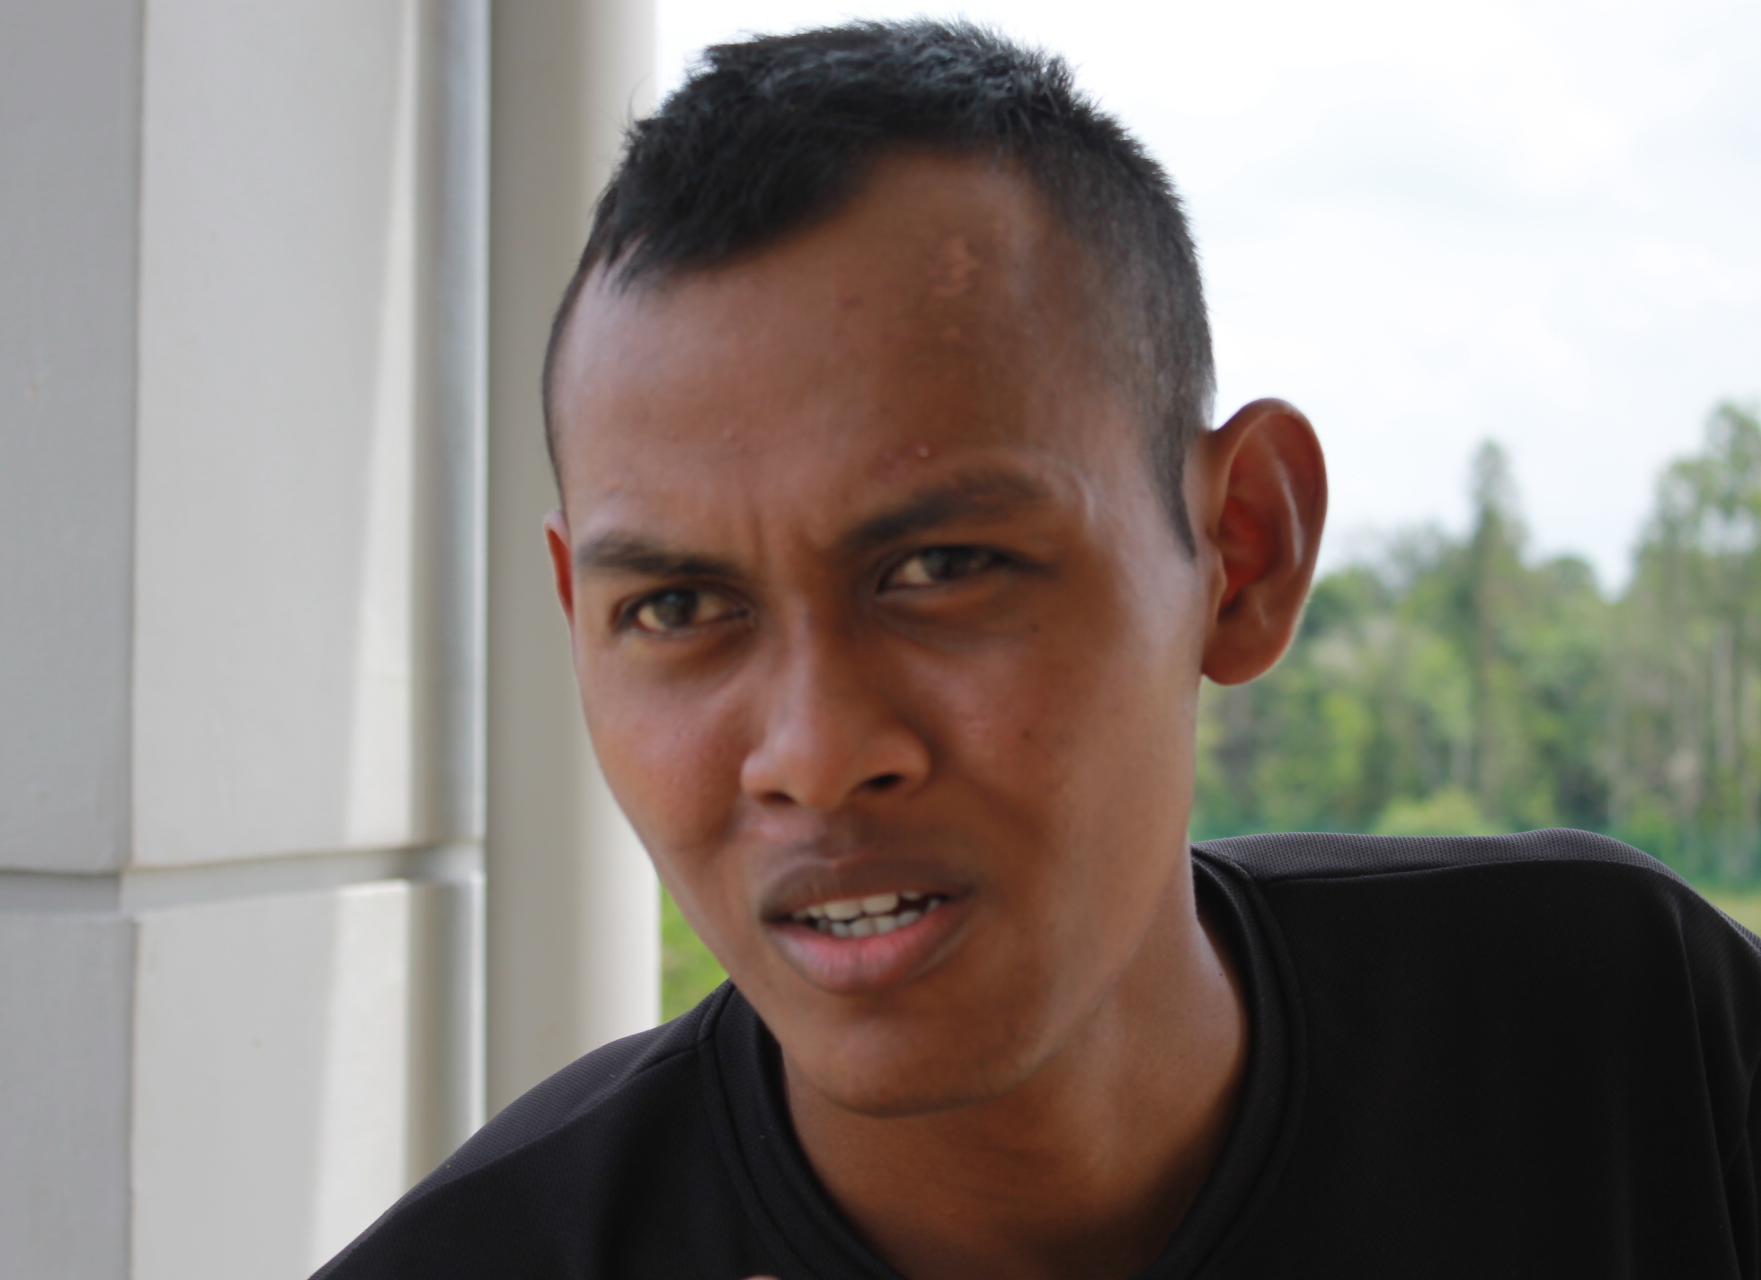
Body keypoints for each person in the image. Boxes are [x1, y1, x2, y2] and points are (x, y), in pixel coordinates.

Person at [316, 20, 1761, 1280]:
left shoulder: (1625, 1042)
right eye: (680, 608)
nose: (815, 754)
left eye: (941, 570)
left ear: (1242, 553)